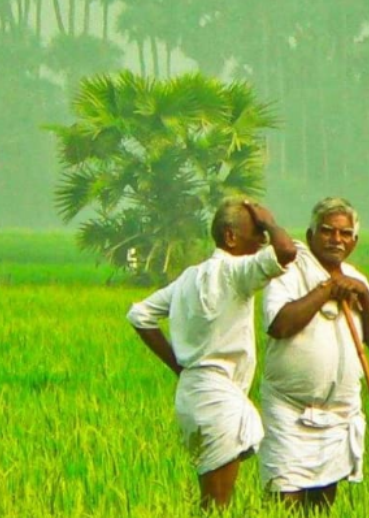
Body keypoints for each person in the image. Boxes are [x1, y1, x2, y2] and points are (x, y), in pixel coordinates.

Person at [126, 198, 296, 511]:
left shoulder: (190, 277)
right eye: (256, 232)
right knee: (216, 505)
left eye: (263, 232)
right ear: (230, 237)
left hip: (193, 393)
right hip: (219, 400)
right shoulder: (236, 271)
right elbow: (286, 252)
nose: (262, 240)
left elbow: (139, 315)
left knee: (212, 500)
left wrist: (180, 366)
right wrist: (270, 221)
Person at [259, 197, 369, 512]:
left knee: (322, 505)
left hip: (338, 414)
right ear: (310, 236)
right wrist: (326, 291)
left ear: (354, 241)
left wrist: (361, 295)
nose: (337, 239)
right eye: (328, 231)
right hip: (289, 411)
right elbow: (279, 324)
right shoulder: (290, 271)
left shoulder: (356, 279)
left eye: (345, 234)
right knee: (284, 500)